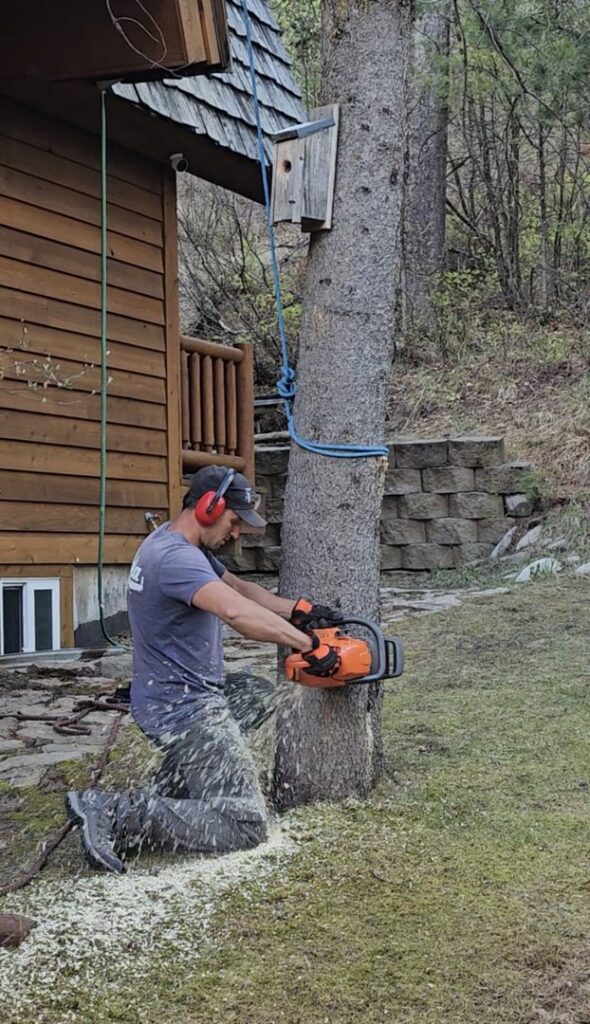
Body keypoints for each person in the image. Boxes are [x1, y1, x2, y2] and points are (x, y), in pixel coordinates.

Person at [66, 466, 342, 873]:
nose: (235, 534)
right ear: (209, 507)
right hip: (184, 708)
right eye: (233, 522)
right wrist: (308, 646)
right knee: (247, 825)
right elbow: (235, 611)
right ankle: (115, 812)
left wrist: (301, 612)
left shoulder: (171, 542)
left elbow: (238, 590)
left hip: (169, 696)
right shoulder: (176, 559)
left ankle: (174, 786)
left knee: (254, 694)